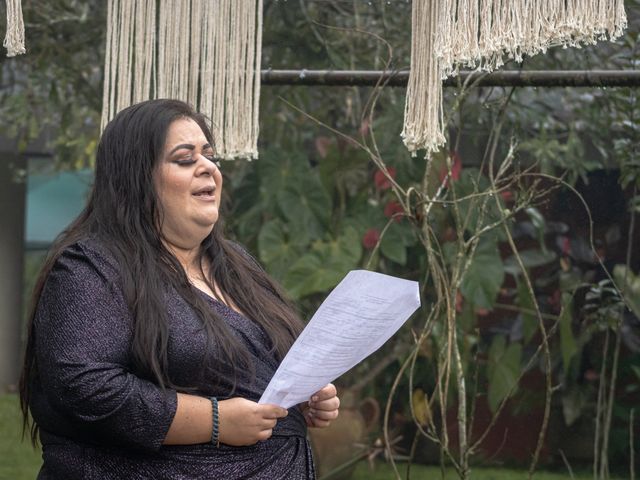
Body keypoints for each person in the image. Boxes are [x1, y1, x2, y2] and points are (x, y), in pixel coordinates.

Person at [19, 99, 340, 479]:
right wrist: (214, 420)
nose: (208, 167)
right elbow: (84, 386)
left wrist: (304, 396)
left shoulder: (236, 263)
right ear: (136, 177)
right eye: (185, 159)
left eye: (209, 155)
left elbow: (261, 370)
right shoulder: (92, 266)